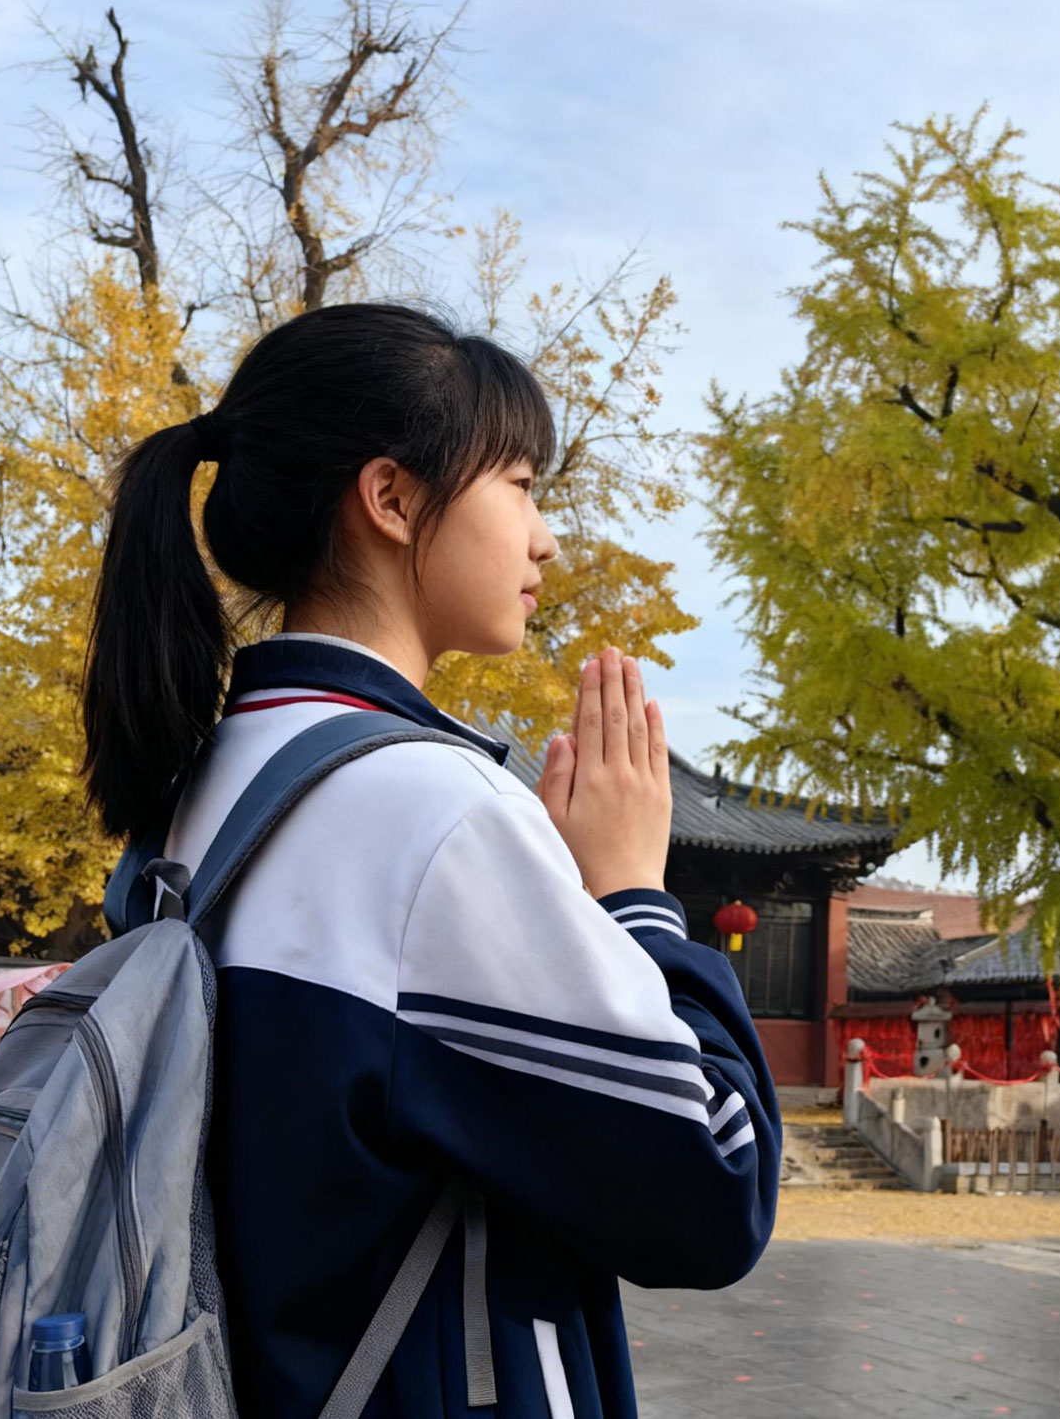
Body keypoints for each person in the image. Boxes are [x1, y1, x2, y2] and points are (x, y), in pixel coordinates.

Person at [77, 301, 780, 1418]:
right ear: (392, 498)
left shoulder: (199, 790)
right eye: (522, 487)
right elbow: (713, 1187)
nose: (544, 539)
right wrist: (634, 897)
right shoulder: (434, 811)